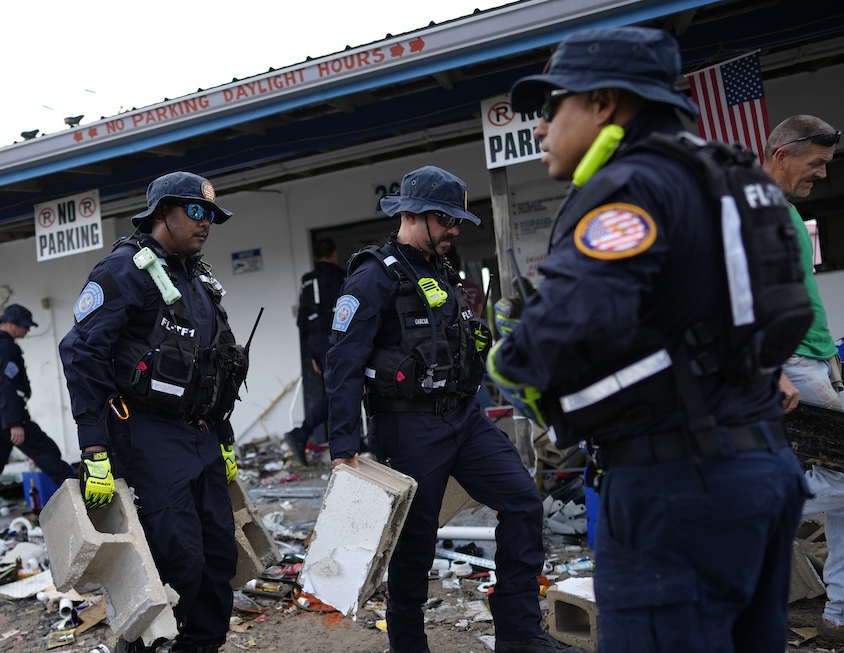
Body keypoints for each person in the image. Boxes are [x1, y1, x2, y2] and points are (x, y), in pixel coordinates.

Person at [489, 27, 806, 651]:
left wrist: (512, 351)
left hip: (679, 487)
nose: (541, 129)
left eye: (554, 107)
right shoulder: (737, 177)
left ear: (605, 102)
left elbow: (553, 340)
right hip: (764, 469)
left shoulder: (632, 188)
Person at [324, 165, 579, 653]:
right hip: (407, 427)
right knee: (414, 547)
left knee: (524, 501)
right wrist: (343, 446)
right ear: (415, 214)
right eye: (448, 220)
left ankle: (519, 633)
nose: (456, 231)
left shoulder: (442, 269)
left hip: (464, 419)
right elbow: (342, 363)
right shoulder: (374, 277)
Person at [58, 171, 246, 653]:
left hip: (202, 438)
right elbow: (81, 353)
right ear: (162, 213)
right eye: (196, 212)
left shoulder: (198, 278)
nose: (207, 223)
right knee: (177, 563)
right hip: (147, 437)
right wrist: (94, 448)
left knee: (220, 560)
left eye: (212, 216)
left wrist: (223, 440)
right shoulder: (124, 270)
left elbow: (214, 367)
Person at [762, 115, 844, 643]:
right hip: (788, 361)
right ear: (782, 154)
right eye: (815, 163)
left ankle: (839, 615)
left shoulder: (785, 211)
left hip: (813, 358)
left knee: (840, 476)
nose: (822, 174)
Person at [0, 303, 74, 537]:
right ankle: (84, 500)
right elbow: (5, 385)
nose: (27, 331)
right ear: (12, 324)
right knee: (47, 452)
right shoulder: (5, 348)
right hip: (7, 417)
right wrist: (14, 423)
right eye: (25, 326)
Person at [285, 237, 346, 465]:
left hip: (315, 340)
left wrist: (311, 353)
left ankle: (344, 440)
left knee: (335, 389)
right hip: (334, 338)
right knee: (338, 390)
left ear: (314, 256)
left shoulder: (306, 281)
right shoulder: (340, 275)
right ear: (334, 252)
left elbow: (302, 320)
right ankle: (302, 433)